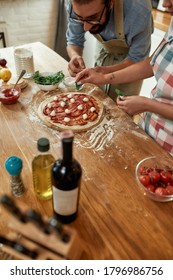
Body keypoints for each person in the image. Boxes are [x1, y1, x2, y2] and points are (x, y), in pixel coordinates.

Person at [75, 1, 173, 156]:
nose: (165, 3)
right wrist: (105, 77)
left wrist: (149, 104)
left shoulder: (138, 9)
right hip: (149, 130)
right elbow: (151, 63)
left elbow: (138, 58)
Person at [66, 0, 153, 100]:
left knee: (121, 110)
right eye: (80, 18)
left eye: (93, 18)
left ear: (111, 3)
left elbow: (137, 59)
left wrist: (104, 72)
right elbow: (74, 40)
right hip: (105, 49)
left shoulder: (139, 9)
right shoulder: (75, 3)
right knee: (97, 99)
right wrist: (75, 55)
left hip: (132, 62)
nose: (86, 27)